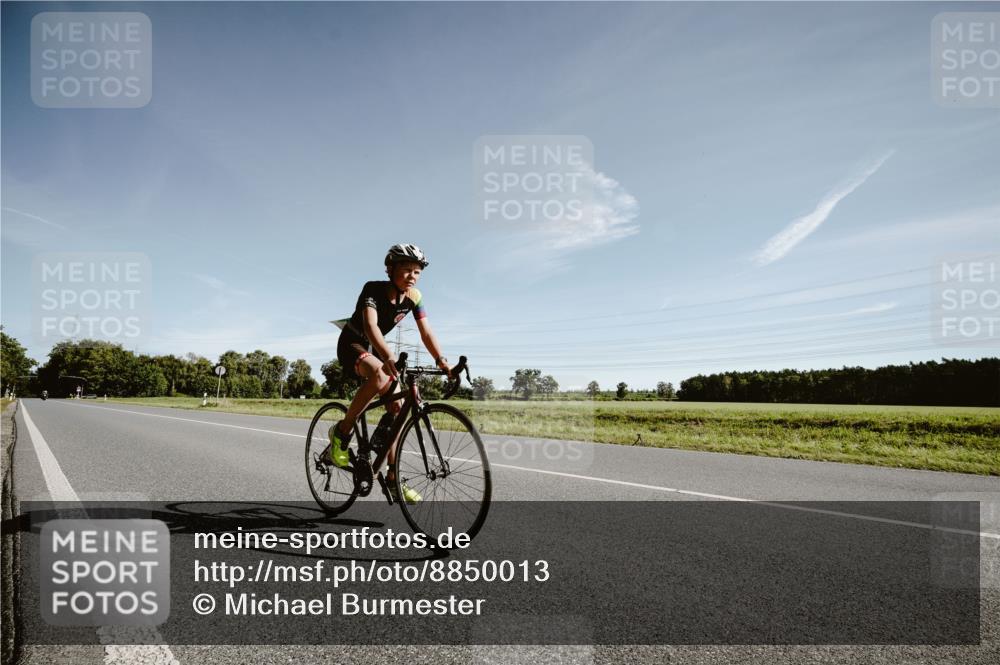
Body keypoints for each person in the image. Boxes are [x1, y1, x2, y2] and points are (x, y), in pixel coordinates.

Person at [325, 244, 452, 504]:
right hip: (354, 343)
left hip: (377, 348)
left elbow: (426, 332)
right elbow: (371, 326)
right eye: (406, 270)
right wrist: (388, 356)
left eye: (417, 271)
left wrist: (441, 360)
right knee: (381, 375)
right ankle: (341, 433)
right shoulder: (372, 289)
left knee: (398, 407)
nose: (412, 276)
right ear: (391, 268)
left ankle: (393, 479)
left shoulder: (415, 297)